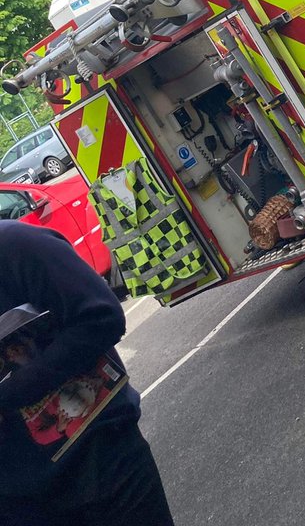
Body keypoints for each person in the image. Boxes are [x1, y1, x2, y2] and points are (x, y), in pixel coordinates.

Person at [0, 220, 174, 526]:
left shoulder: (15, 245)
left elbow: (102, 317)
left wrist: (9, 394)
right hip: (19, 504)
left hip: (104, 465)